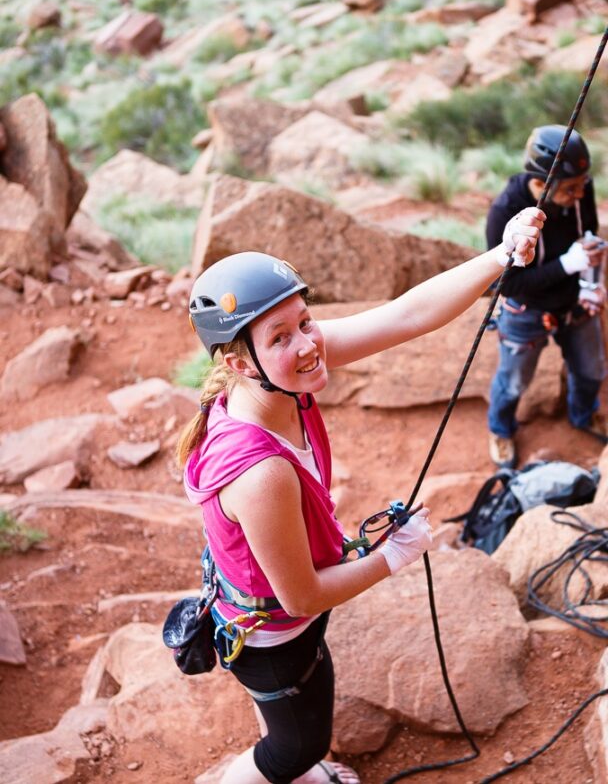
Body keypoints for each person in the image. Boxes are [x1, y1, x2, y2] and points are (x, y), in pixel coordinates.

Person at [177, 208, 543, 784]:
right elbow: (301, 598)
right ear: (239, 362)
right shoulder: (261, 472)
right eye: (280, 336)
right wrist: (391, 557)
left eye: (305, 321)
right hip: (272, 633)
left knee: (293, 715)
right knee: (298, 744)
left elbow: (407, 315)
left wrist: (500, 256)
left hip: (257, 611)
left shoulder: (278, 377)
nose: (306, 344)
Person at [486, 125, 608, 469]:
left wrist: (591, 277)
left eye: (583, 183)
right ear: (540, 184)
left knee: (591, 370)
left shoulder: (580, 189)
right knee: (513, 382)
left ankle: (584, 415)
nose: (580, 193)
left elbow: (587, 234)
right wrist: (568, 265)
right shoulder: (506, 211)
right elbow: (507, 285)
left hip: (574, 300)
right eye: (570, 188)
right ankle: (500, 428)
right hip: (527, 309)